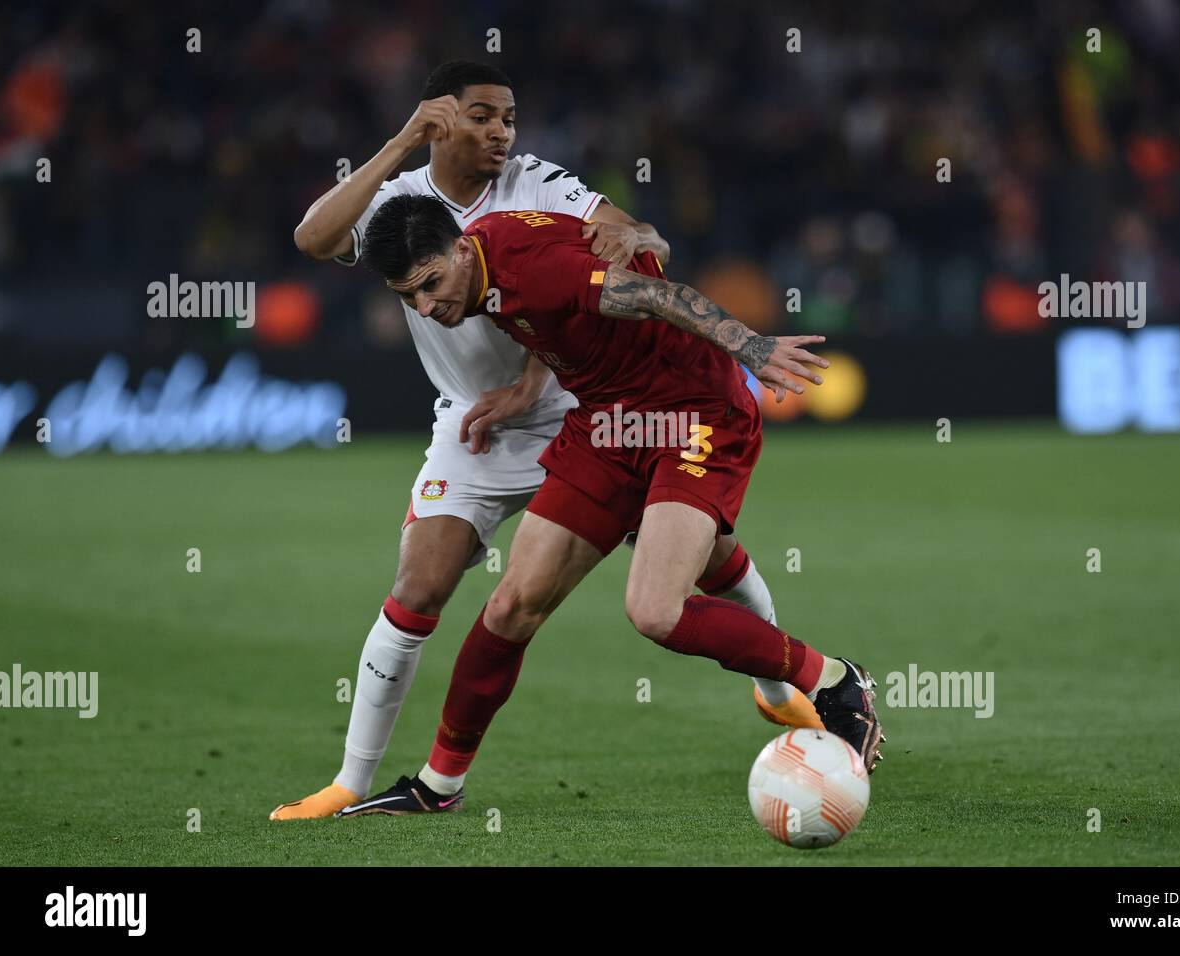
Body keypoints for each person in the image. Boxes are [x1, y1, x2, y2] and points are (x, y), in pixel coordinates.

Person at [271, 61, 815, 822]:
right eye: (483, 116)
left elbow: (632, 240)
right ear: (441, 119)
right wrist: (399, 144)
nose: (502, 132)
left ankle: (783, 690)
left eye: (509, 118)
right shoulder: (400, 206)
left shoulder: (539, 183)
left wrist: (631, 242)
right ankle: (352, 783)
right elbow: (311, 237)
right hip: (471, 423)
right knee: (418, 586)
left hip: (578, 409)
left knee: (707, 559)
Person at [333, 196, 884, 816]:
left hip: (692, 415)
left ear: (462, 249)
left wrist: (750, 346)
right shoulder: (482, 263)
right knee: (512, 605)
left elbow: (658, 294)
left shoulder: (530, 268)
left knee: (655, 609)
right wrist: (530, 386)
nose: (427, 307)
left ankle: (835, 681)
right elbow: (584, 291)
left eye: (430, 284)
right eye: (410, 298)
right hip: (606, 423)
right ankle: (438, 787)